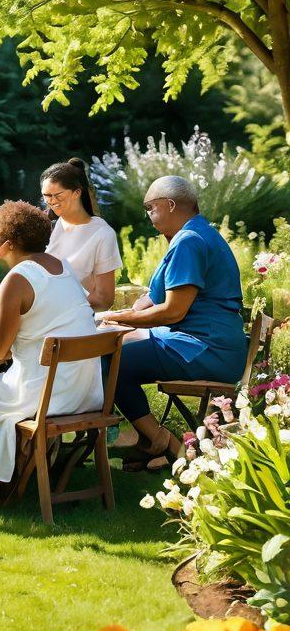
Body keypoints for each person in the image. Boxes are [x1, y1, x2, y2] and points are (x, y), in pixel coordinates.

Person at [0, 200, 102, 505]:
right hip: (85, 392)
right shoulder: (63, 268)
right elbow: (50, 318)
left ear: (8, 244)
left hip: (43, 395)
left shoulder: (18, 279)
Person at [99, 176, 247, 472]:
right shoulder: (194, 234)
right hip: (209, 343)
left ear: (169, 205)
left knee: (108, 363)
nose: (149, 216)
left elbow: (172, 312)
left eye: (150, 208)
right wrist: (126, 316)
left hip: (205, 348)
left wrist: (115, 317)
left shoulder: (190, 241)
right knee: (112, 346)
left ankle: (162, 441)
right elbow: (153, 299)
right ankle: (148, 440)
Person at [42, 158, 122, 312]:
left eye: (57, 195)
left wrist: (53, 306)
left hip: (79, 320)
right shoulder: (53, 226)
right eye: (47, 196)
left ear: (77, 192)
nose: (51, 201)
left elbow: (104, 299)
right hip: (44, 317)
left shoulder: (102, 234)